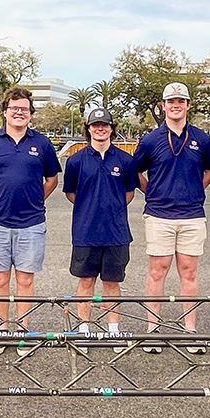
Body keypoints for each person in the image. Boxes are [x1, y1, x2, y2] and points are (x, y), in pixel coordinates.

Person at [0, 87, 62, 355]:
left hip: (31, 223)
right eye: (14, 108)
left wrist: (35, 199)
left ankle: (23, 329)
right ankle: (3, 327)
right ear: (5, 112)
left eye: (24, 109)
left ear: (31, 114)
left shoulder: (42, 144)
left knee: (25, 280)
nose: (19, 113)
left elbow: (53, 179)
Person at [133, 82, 210, 353]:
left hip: (192, 215)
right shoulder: (150, 140)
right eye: (171, 101)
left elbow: (209, 171)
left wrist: (192, 190)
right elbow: (135, 171)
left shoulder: (202, 139)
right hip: (159, 215)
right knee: (157, 272)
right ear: (163, 106)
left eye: (181, 100)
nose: (176, 105)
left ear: (188, 105)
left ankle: (189, 329)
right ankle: (152, 330)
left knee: (189, 273)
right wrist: (154, 191)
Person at [62, 108, 138, 344]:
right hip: (86, 232)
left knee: (112, 283)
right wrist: (92, 207)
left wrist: (110, 208)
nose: (100, 129)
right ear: (88, 129)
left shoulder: (125, 160)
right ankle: (84, 328)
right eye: (95, 125)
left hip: (116, 233)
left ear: (112, 129)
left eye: (105, 125)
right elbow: (71, 193)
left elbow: (128, 193)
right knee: (86, 281)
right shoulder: (76, 161)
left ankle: (113, 329)